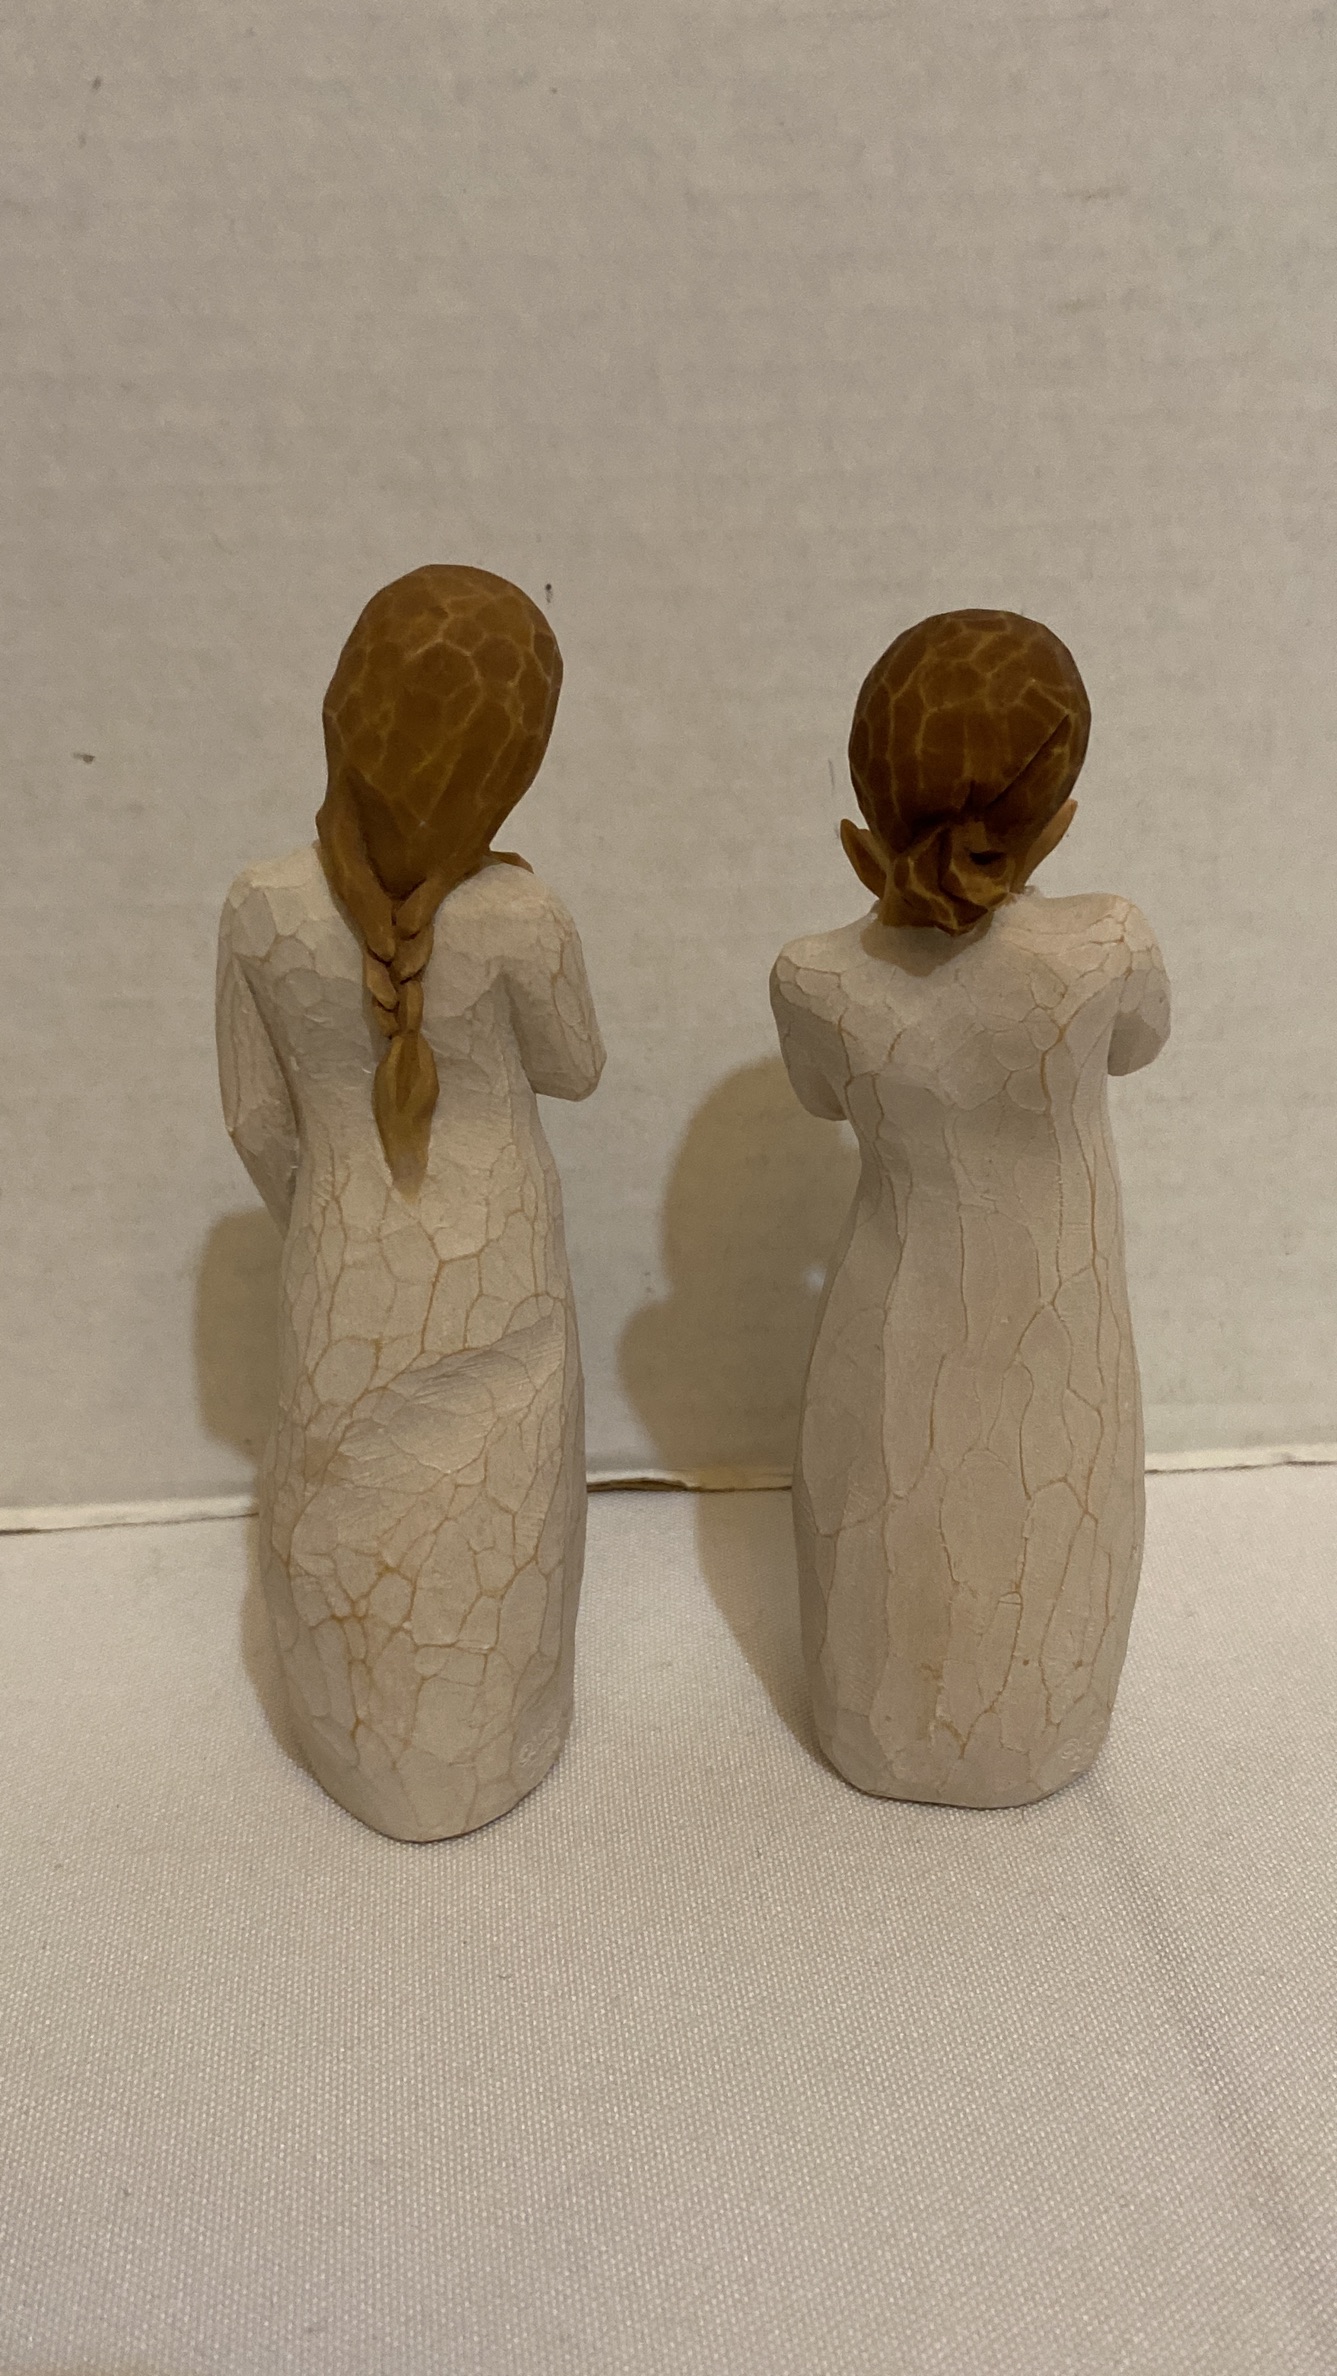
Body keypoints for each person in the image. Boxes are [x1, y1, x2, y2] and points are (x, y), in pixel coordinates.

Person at [217, 565, 604, 1840]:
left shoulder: (261, 907)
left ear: (342, 711)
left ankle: (360, 1748)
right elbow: (575, 1068)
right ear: (510, 767)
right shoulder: (523, 915)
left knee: (343, 1499)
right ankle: (492, 1743)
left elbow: (256, 1123)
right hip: (502, 1261)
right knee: (498, 1503)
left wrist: (326, 1219)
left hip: (342, 1261)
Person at [771, 609, 1169, 1807]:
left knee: (894, 1517)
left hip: (891, 1325)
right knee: (1048, 1522)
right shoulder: (1105, 945)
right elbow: (1140, 1046)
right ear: (1058, 815)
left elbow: (818, 1100)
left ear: (865, 792)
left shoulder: (815, 977)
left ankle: (883, 1731)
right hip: (1061, 1332)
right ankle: (1031, 1732)